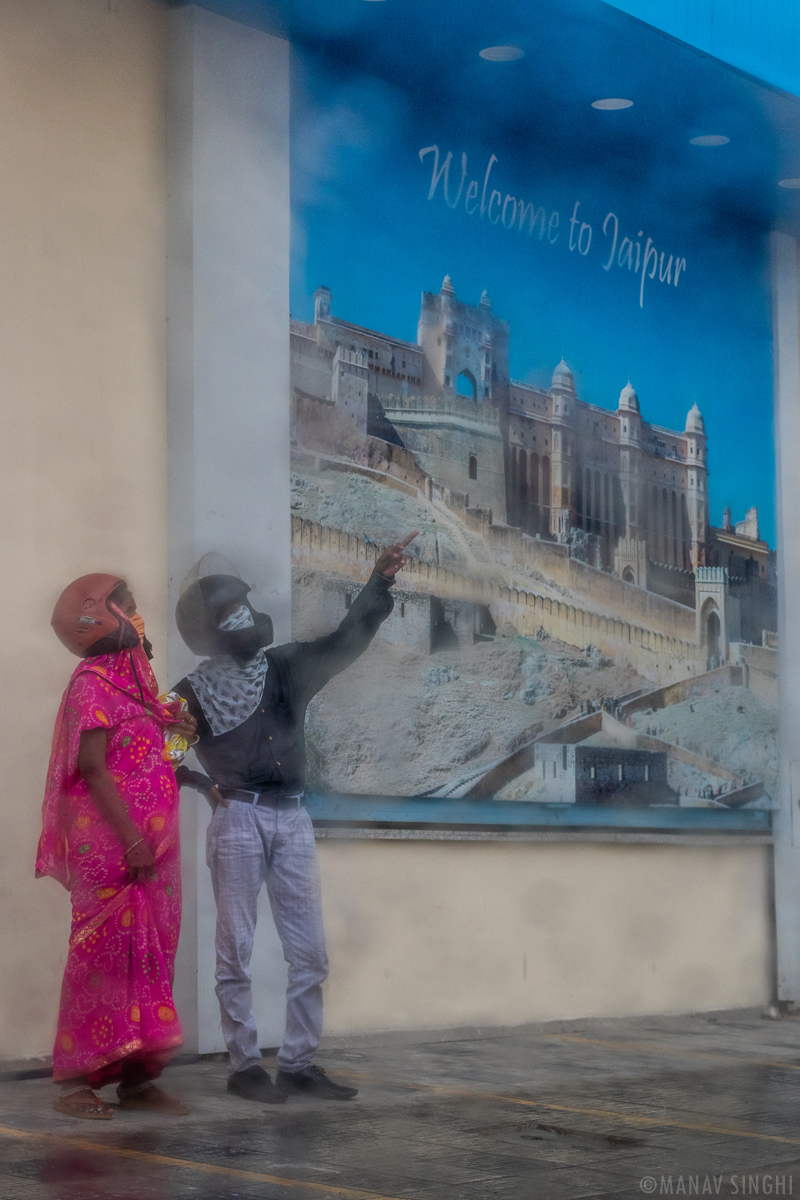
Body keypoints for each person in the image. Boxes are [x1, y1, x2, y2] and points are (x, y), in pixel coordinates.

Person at [172, 535, 417, 1105]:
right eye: (233, 613)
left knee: (309, 951)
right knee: (235, 946)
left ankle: (300, 1062)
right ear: (211, 630)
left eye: (245, 608)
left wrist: (380, 580)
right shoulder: (187, 696)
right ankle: (243, 1065)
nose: (249, 618)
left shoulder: (285, 667)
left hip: (292, 818)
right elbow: (157, 757)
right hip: (238, 817)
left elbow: (346, 642)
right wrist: (202, 783)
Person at [38, 574, 197, 1119]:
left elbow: (148, 761)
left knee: (152, 958)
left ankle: (137, 1077)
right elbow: (92, 768)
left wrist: (178, 734)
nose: (137, 614)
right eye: (128, 605)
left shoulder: (137, 684)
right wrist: (132, 839)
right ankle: (75, 1084)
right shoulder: (91, 684)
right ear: (99, 615)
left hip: (155, 848)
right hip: (114, 847)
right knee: (101, 958)